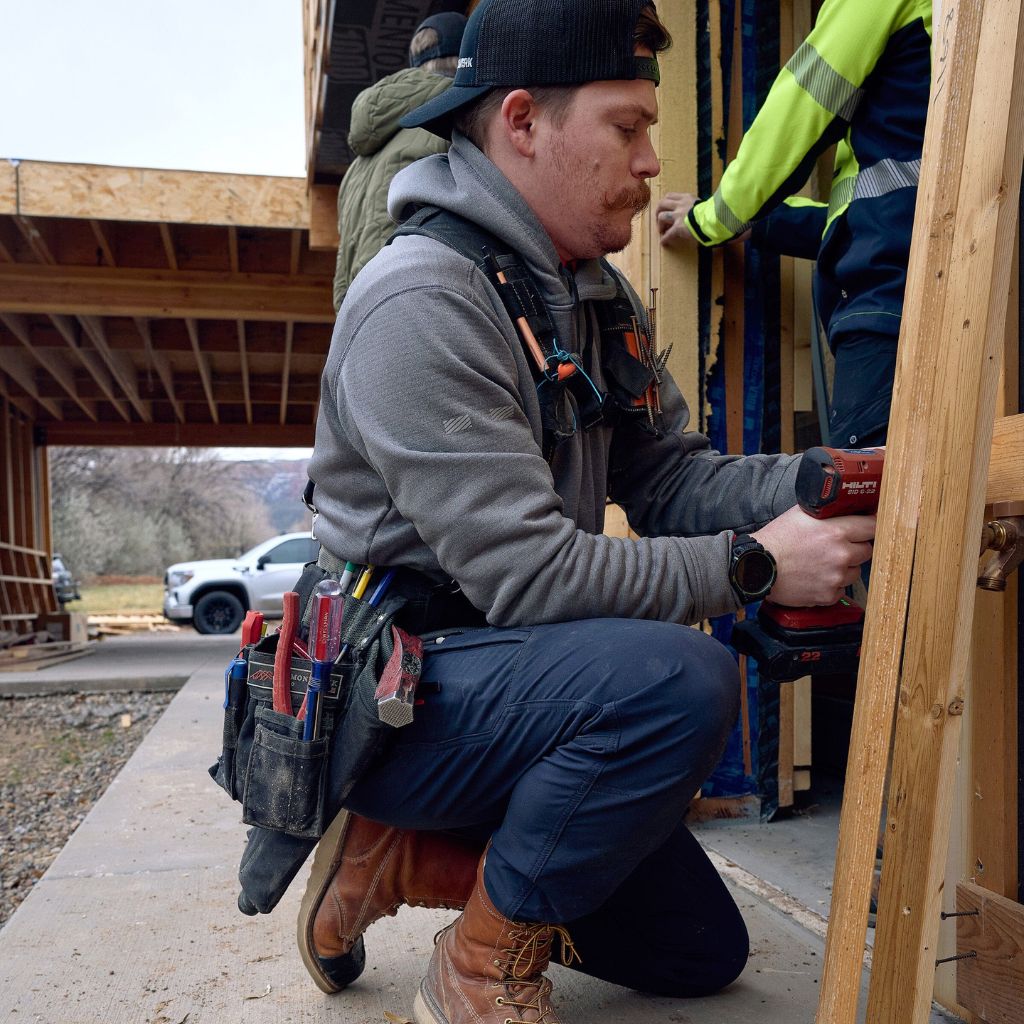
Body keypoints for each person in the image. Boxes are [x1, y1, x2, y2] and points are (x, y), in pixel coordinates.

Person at [298, 2, 875, 1021]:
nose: (652, 161)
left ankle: (410, 853)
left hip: (515, 678)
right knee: (677, 677)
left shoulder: (586, 293)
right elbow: (535, 578)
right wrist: (755, 565)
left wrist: (825, 479)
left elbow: (672, 482)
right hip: (397, 693)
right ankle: (475, 961)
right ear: (522, 120)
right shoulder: (420, 300)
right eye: (626, 127)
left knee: (698, 953)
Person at [656, 0, 931, 449]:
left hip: (889, 301)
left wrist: (713, 219)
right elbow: (873, 206)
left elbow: (799, 110)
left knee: (870, 504)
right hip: (945, 292)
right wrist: (764, 225)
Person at [331, 11, 468, 312]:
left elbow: (344, 267)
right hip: (420, 305)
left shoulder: (355, 169)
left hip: (359, 316)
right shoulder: (457, 122)